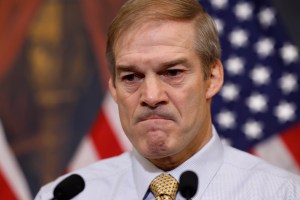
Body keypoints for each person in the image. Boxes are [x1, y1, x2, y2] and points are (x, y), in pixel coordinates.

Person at [35, 0, 300, 199]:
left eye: (173, 73)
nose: (151, 97)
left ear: (213, 77)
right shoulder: (66, 196)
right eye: (131, 77)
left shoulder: (282, 193)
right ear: (113, 88)